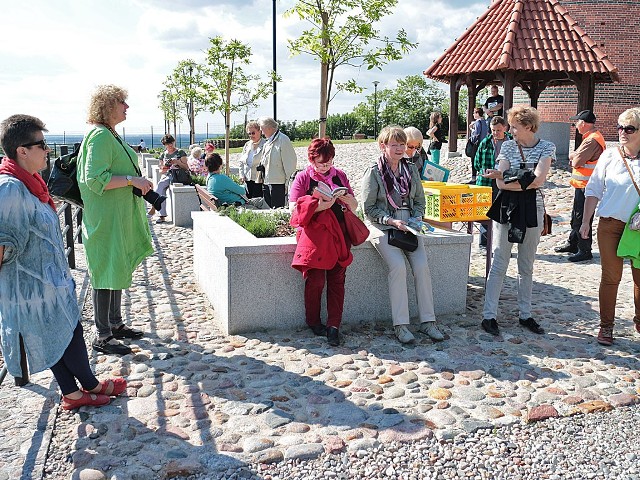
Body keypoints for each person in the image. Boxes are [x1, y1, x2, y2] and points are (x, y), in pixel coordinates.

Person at [0, 114, 127, 410]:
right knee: (59, 333)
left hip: (50, 282)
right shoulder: (9, 189)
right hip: (31, 289)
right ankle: (73, 393)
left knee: (67, 331)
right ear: (22, 150)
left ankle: (85, 386)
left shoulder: (29, 181)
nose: (48, 150)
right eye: (42, 144)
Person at [77, 85, 154, 356]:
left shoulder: (108, 133)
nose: (127, 107)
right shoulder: (99, 135)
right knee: (105, 269)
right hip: (105, 218)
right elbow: (94, 178)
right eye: (122, 102)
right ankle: (103, 335)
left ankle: (115, 323)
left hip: (115, 216)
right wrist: (134, 180)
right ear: (108, 105)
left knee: (116, 265)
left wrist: (135, 182)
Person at [362, 125, 444, 344]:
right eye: (394, 145)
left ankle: (428, 322)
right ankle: (401, 325)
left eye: (402, 145)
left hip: (408, 225)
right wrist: (390, 221)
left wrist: (416, 219)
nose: (399, 149)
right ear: (383, 146)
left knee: (421, 267)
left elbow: (419, 200)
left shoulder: (410, 169)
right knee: (398, 267)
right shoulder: (374, 172)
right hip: (384, 226)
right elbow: (368, 209)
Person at [480, 105, 555, 337]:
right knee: (499, 260)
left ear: (528, 127)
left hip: (533, 207)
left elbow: (539, 180)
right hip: (508, 207)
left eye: (514, 126)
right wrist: (520, 178)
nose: (510, 130)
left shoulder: (546, 147)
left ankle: (525, 314)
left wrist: (510, 177)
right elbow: (501, 183)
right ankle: (489, 315)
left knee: (526, 264)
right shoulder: (508, 147)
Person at [579, 107, 640, 346]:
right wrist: (585, 221)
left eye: (629, 128)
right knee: (611, 277)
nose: (623, 132)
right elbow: (593, 189)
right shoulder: (610, 156)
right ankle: (606, 326)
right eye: (620, 127)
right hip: (610, 226)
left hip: (638, 228)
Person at [289, 138, 359, 346]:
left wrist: (347, 200)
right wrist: (321, 205)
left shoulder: (340, 176)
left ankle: (334, 326)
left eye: (328, 162)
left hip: (339, 235)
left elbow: (354, 206)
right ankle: (313, 321)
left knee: (338, 280)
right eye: (321, 163)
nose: (325, 166)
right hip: (314, 238)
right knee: (316, 280)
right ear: (311, 159)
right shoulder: (302, 178)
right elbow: (294, 210)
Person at [554, 110, 605, 262]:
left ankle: (584, 249)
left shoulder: (591, 140)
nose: (575, 125)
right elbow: (575, 156)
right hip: (583, 185)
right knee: (576, 216)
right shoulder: (590, 137)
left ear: (583, 123)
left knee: (582, 218)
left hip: (586, 186)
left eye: (576, 123)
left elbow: (576, 161)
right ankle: (573, 242)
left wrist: (574, 158)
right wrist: (574, 156)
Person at [474, 116, 512, 247]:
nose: (495, 133)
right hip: (487, 182)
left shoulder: (512, 142)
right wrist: (485, 172)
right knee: (486, 211)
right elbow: (477, 162)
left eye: (498, 130)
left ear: (505, 128)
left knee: (504, 212)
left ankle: (502, 244)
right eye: (493, 130)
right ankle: (484, 243)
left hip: (506, 181)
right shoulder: (485, 142)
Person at [257, 117, 298, 208]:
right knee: (268, 208)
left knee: (278, 209)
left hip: (278, 183)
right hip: (267, 181)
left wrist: (288, 182)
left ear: (269, 128)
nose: (261, 131)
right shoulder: (268, 142)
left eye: (262, 128)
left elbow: (290, 162)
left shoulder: (283, 139)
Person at [205, 153, 270, 209]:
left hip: (232, 204)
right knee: (263, 205)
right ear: (219, 165)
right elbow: (242, 191)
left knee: (261, 201)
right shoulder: (221, 178)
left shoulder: (209, 177)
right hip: (237, 206)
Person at [148, 134, 188, 223]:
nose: (170, 145)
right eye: (167, 144)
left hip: (177, 175)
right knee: (160, 188)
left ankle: (155, 209)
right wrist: (166, 166)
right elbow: (161, 171)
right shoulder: (163, 154)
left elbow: (186, 167)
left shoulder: (180, 152)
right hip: (167, 175)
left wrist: (177, 162)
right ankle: (161, 214)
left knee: (160, 185)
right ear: (164, 145)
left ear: (174, 142)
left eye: (171, 143)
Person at [239, 121, 266, 198]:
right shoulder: (247, 145)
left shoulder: (265, 145)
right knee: (249, 200)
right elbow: (241, 161)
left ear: (260, 131)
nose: (251, 136)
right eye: (249, 134)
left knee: (257, 201)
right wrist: (241, 175)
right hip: (247, 178)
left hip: (259, 179)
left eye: (253, 133)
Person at [468, 107, 489, 182]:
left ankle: (474, 178)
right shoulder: (485, 121)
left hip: (477, 144)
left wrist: (471, 129)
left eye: (474, 113)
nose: (473, 114)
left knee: (474, 160)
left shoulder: (477, 122)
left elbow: (476, 134)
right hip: (484, 143)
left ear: (477, 113)